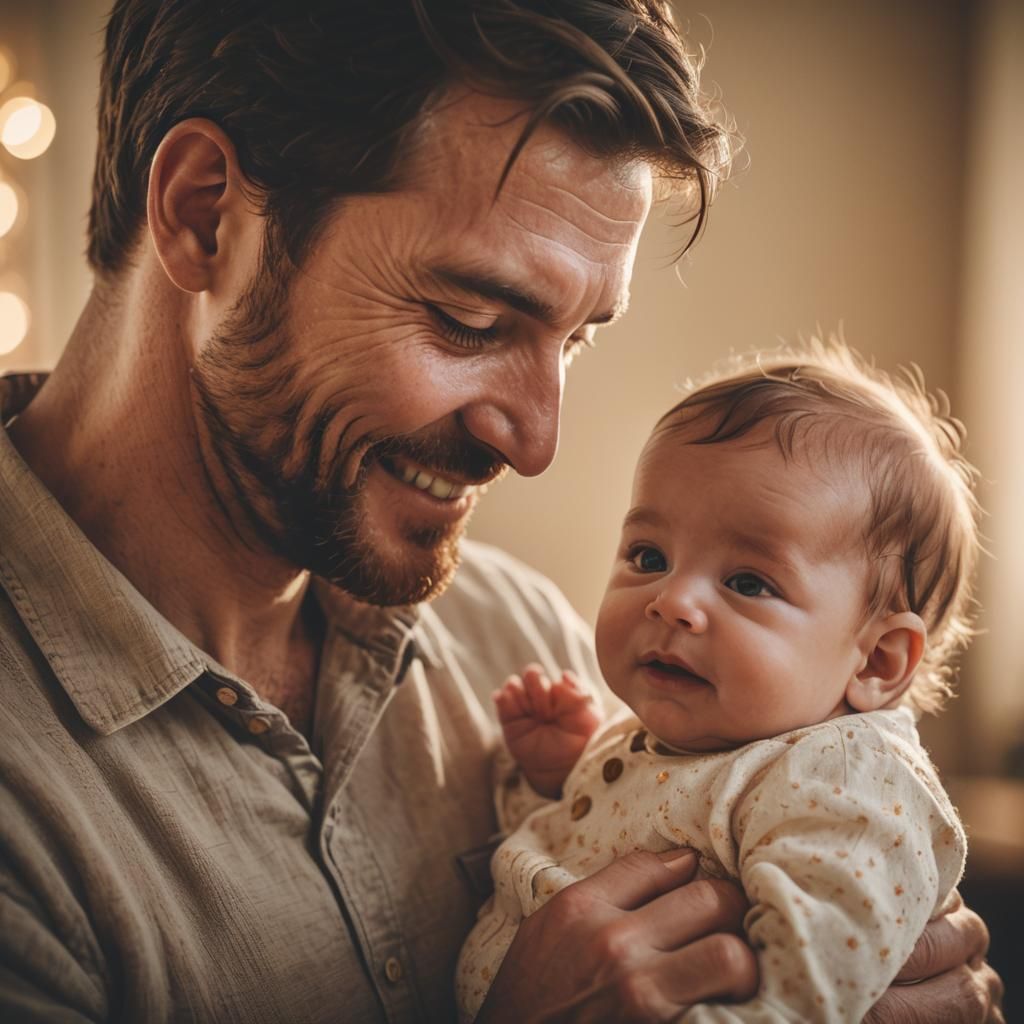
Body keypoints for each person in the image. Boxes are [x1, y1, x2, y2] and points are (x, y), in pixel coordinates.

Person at [0, 1, 1001, 1021]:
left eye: (574, 342)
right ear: (206, 212)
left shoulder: (522, 636)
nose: (534, 441)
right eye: (469, 319)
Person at [458, 345, 983, 1022]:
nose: (672, 600)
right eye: (649, 556)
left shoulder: (843, 780)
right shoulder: (685, 736)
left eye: (747, 582)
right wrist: (563, 781)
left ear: (878, 660)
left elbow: (805, 990)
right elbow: (589, 858)